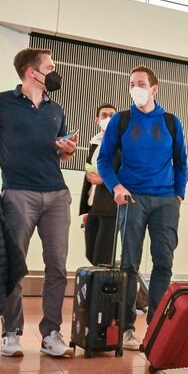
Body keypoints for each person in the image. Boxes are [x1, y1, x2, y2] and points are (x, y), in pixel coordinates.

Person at [0, 48, 78, 358]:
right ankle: (11, 332)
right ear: (32, 72)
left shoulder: (57, 109)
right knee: (14, 266)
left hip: (56, 194)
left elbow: (59, 154)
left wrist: (66, 150)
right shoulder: (0, 103)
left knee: (57, 266)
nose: (55, 72)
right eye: (50, 66)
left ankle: (51, 333)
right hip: (17, 194)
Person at [96, 66, 188, 351]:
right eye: (132, 83)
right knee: (129, 265)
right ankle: (125, 328)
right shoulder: (120, 121)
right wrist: (116, 186)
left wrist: (179, 195)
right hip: (132, 199)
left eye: (141, 83)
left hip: (165, 201)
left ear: (154, 90)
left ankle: (157, 326)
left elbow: (182, 161)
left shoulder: (171, 122)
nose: (136, 88)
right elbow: (104, 161)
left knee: (164, 263)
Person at [80, 103, 117, 266]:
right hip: (93, 205)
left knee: (103, 256)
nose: (108, 118)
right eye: (104, 115)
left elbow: (125, 170)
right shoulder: (94, 141)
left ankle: (103, 289)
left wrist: (103, 180)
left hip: (110, 206)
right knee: (90, 253)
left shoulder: (121, 143)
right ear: (97, 120)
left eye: (112, 115)